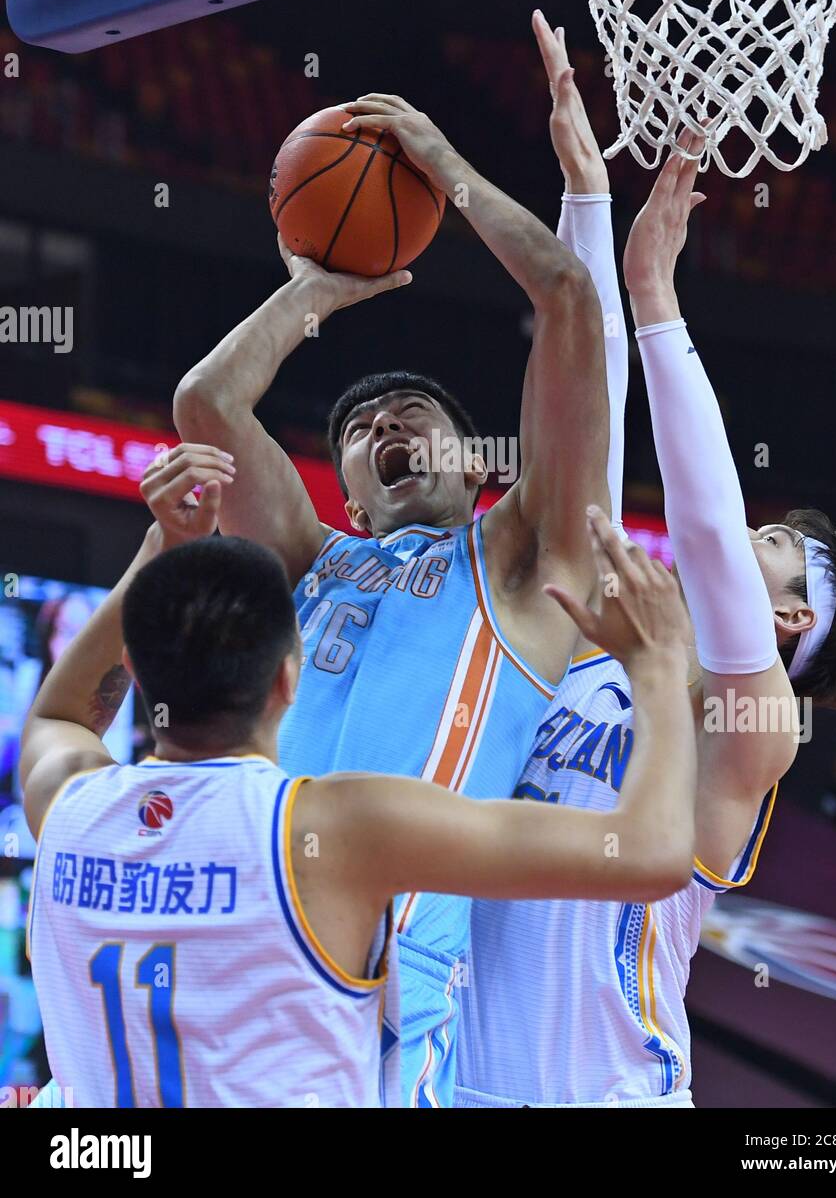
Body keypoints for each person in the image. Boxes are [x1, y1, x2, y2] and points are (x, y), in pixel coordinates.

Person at [455, 36, 836, 1108]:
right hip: (453, 1085)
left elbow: (704, 543)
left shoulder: (750, 738)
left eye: (775, 546)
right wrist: (584, 206)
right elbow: (584, 485)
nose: (742, 532)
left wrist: (654, 294)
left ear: (791, 614)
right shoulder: (608, 656)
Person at [171, 57, 612, 1105]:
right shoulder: (317, 562)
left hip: (387, 974)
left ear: (483, 469)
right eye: (364, 428)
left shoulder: (519, 558)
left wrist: (445, 173)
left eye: (420, 416)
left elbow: (563, 295)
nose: (389, 424)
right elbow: (207, 407)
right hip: (235, 929)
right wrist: (313, 293)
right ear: (353, 501)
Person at [21, 451, 696, 1108]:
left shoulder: (69, 801)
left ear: (134, 670)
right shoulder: (335, 828)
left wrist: (162, 548)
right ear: (291, 676)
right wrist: (659, 665)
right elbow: (651, 854)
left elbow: (60, 710)